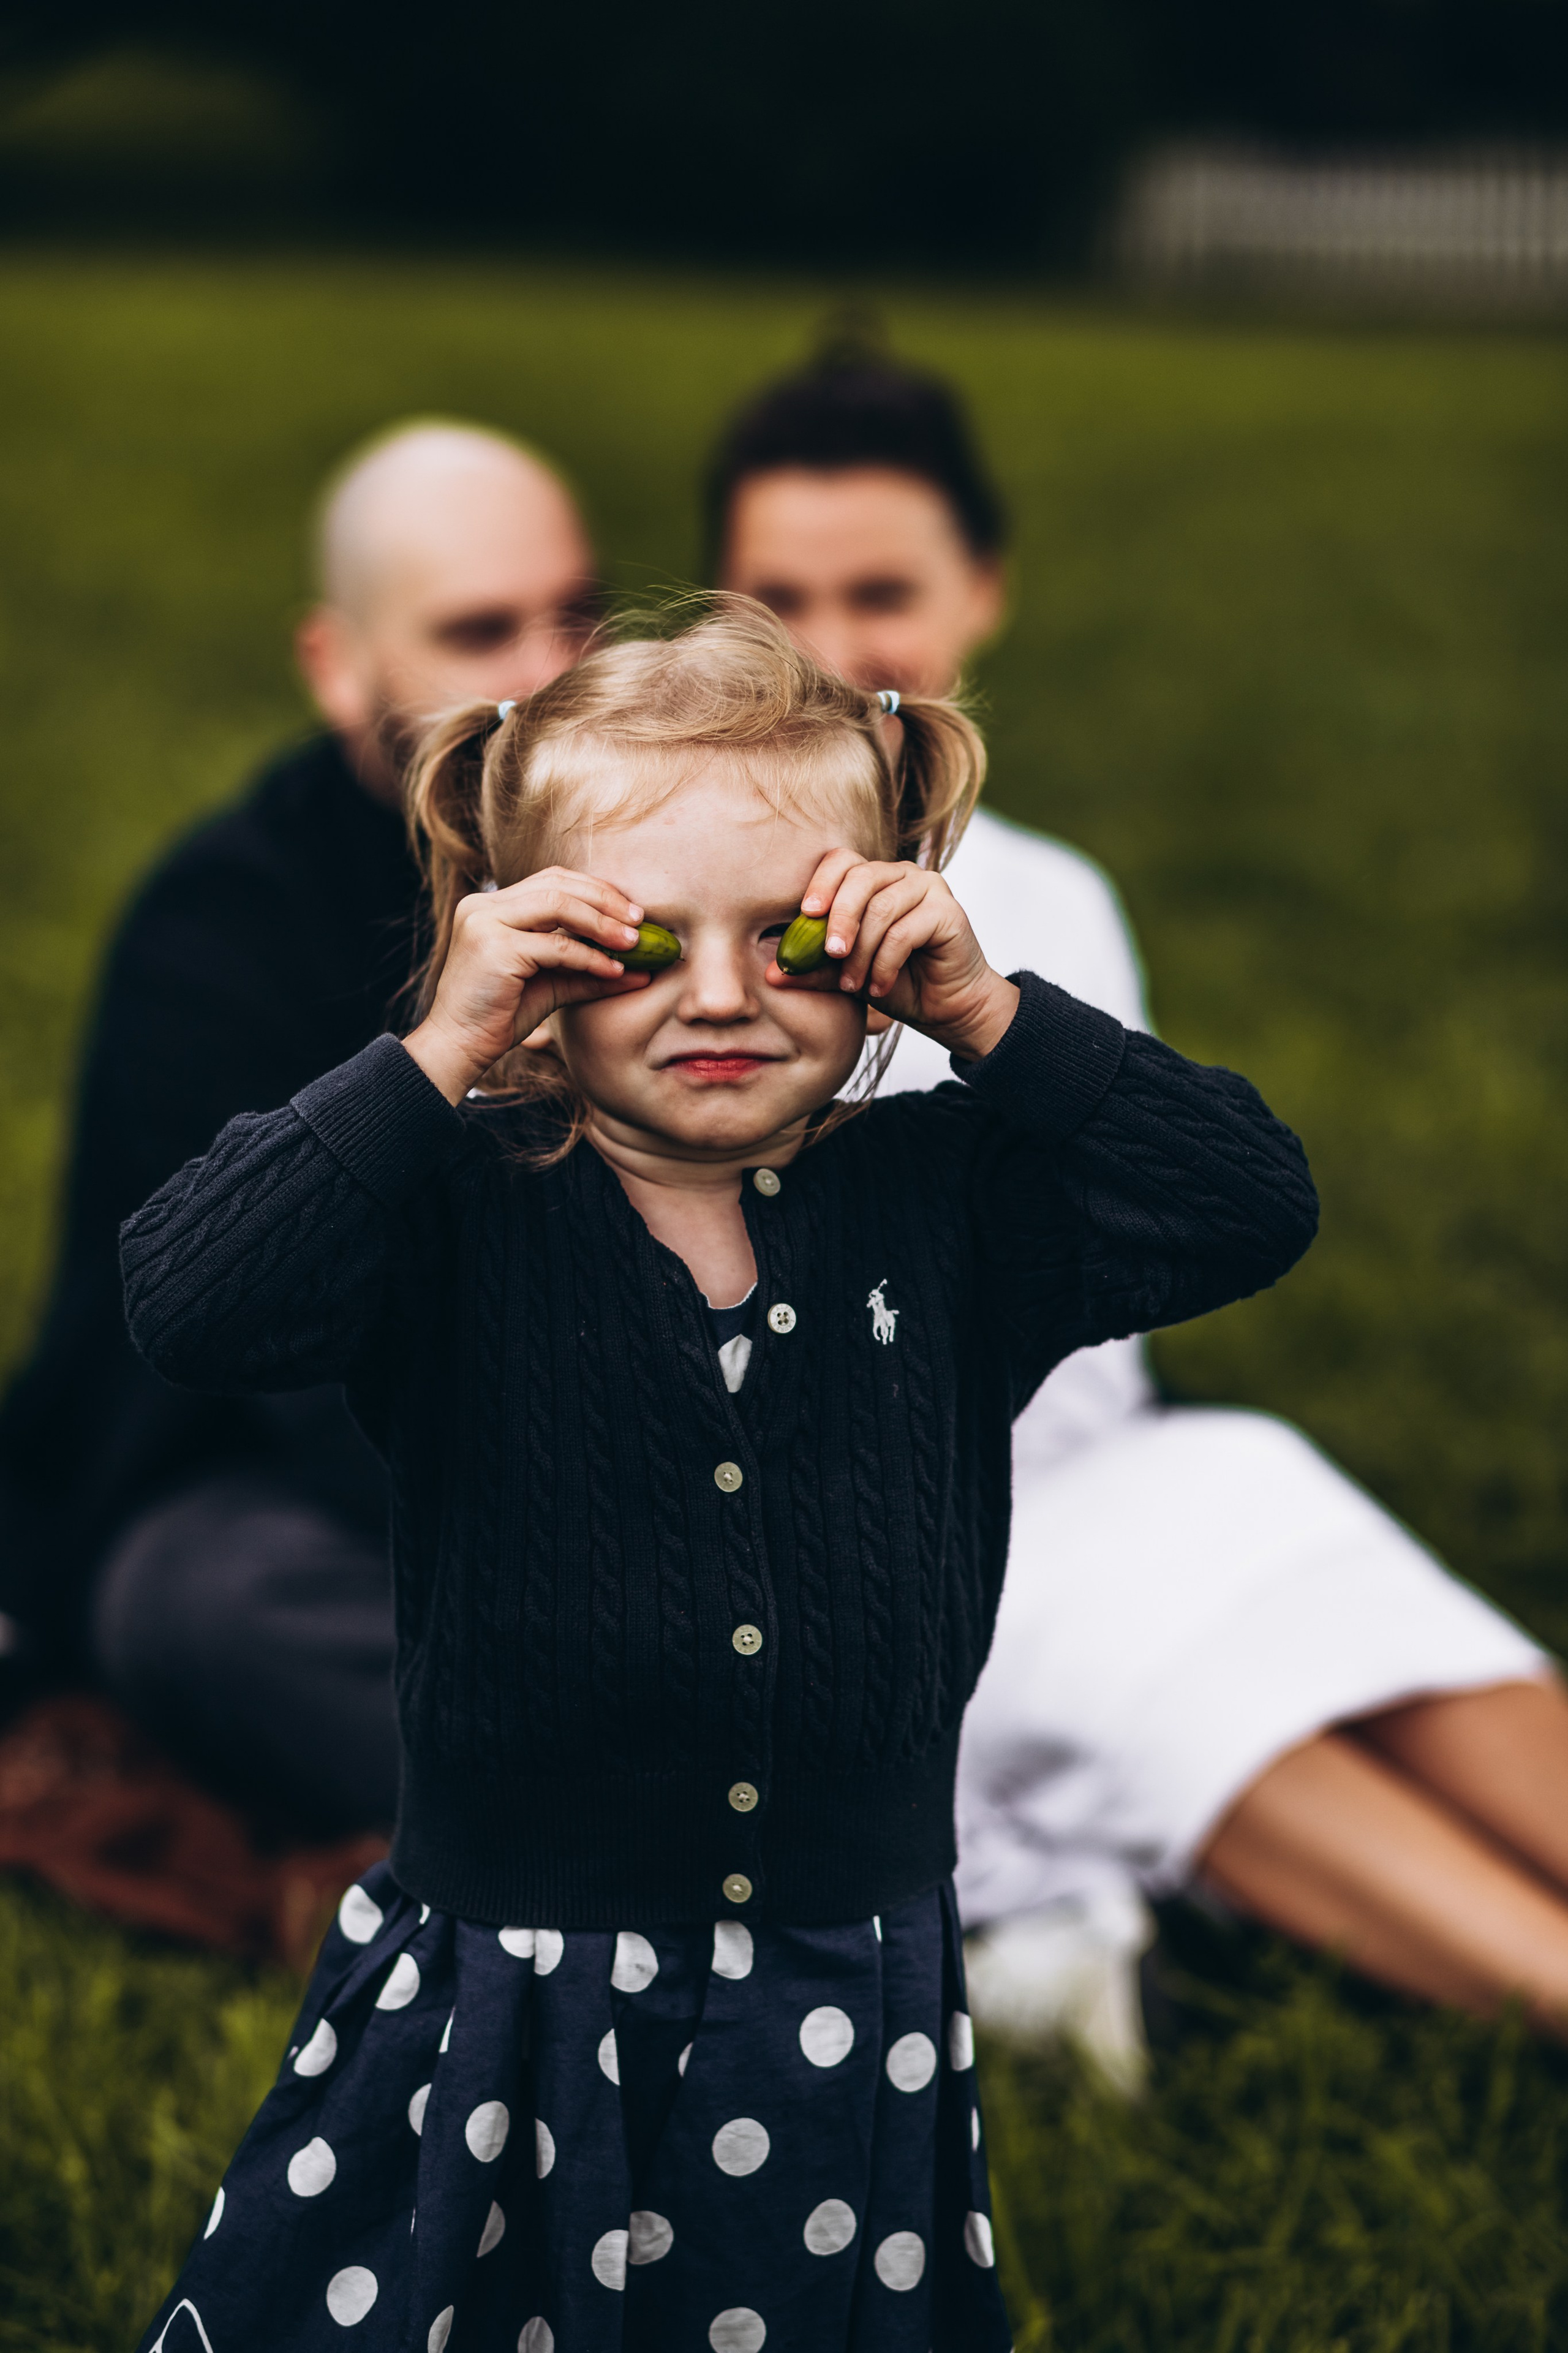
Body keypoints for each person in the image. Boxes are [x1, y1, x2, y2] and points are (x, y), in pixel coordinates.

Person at [124, 601, 1315, 2351]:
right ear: (531, 952)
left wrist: (992, 1014)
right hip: (511, 1980)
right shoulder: (458, 1201)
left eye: (794, 936)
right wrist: (436, 1052)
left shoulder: (956, 1199)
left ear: (882, 936)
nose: (722, 994)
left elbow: (1247, 1202)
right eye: (643, 941)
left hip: (845, 1976)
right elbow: (192, 1296)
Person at [709, 339, 1568, 2043]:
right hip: (839, 1540)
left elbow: (1144, 1248)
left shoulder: (1049, 895)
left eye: (883, 588)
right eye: (780, 594)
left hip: (1085, 1452)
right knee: (1131, 1641)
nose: (837, 646)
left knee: (1243, 1493)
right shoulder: (675, 907)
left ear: (983, 594)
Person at [0, 419, 597, 1840]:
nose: (543, 679)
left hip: (681, 1457)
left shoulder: (660, 852)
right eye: (477, 629)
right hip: (342, 1496)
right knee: (202, 1601)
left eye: (574, 618)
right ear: (340, 668)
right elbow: (258, 1366)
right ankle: (738, 1860)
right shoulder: (220, 937)